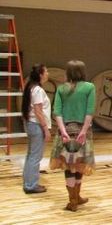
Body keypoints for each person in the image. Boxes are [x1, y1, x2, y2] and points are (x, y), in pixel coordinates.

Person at [50, 60, 96, 212]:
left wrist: (63, 131)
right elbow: (90, 112)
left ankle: (74, 199)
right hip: (83, 132)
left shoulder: (61, 88)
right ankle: (75, 198)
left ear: (68, 72)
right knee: (80, 165)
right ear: (83, 72)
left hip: (65, 131)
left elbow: (57, 112)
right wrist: (83, 131)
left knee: (69, 167)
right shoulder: (90, 87)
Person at [22, 64, 51, 194]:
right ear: (40, 74)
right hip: (36, 125)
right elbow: (38, 111)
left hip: (31, 124)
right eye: (46, 71)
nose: (48, 73)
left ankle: (28, 183)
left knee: (31, 155)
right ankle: (31, 185)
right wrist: (46, 128)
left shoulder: (31, 87)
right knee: (35, 156)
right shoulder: (38, 90)